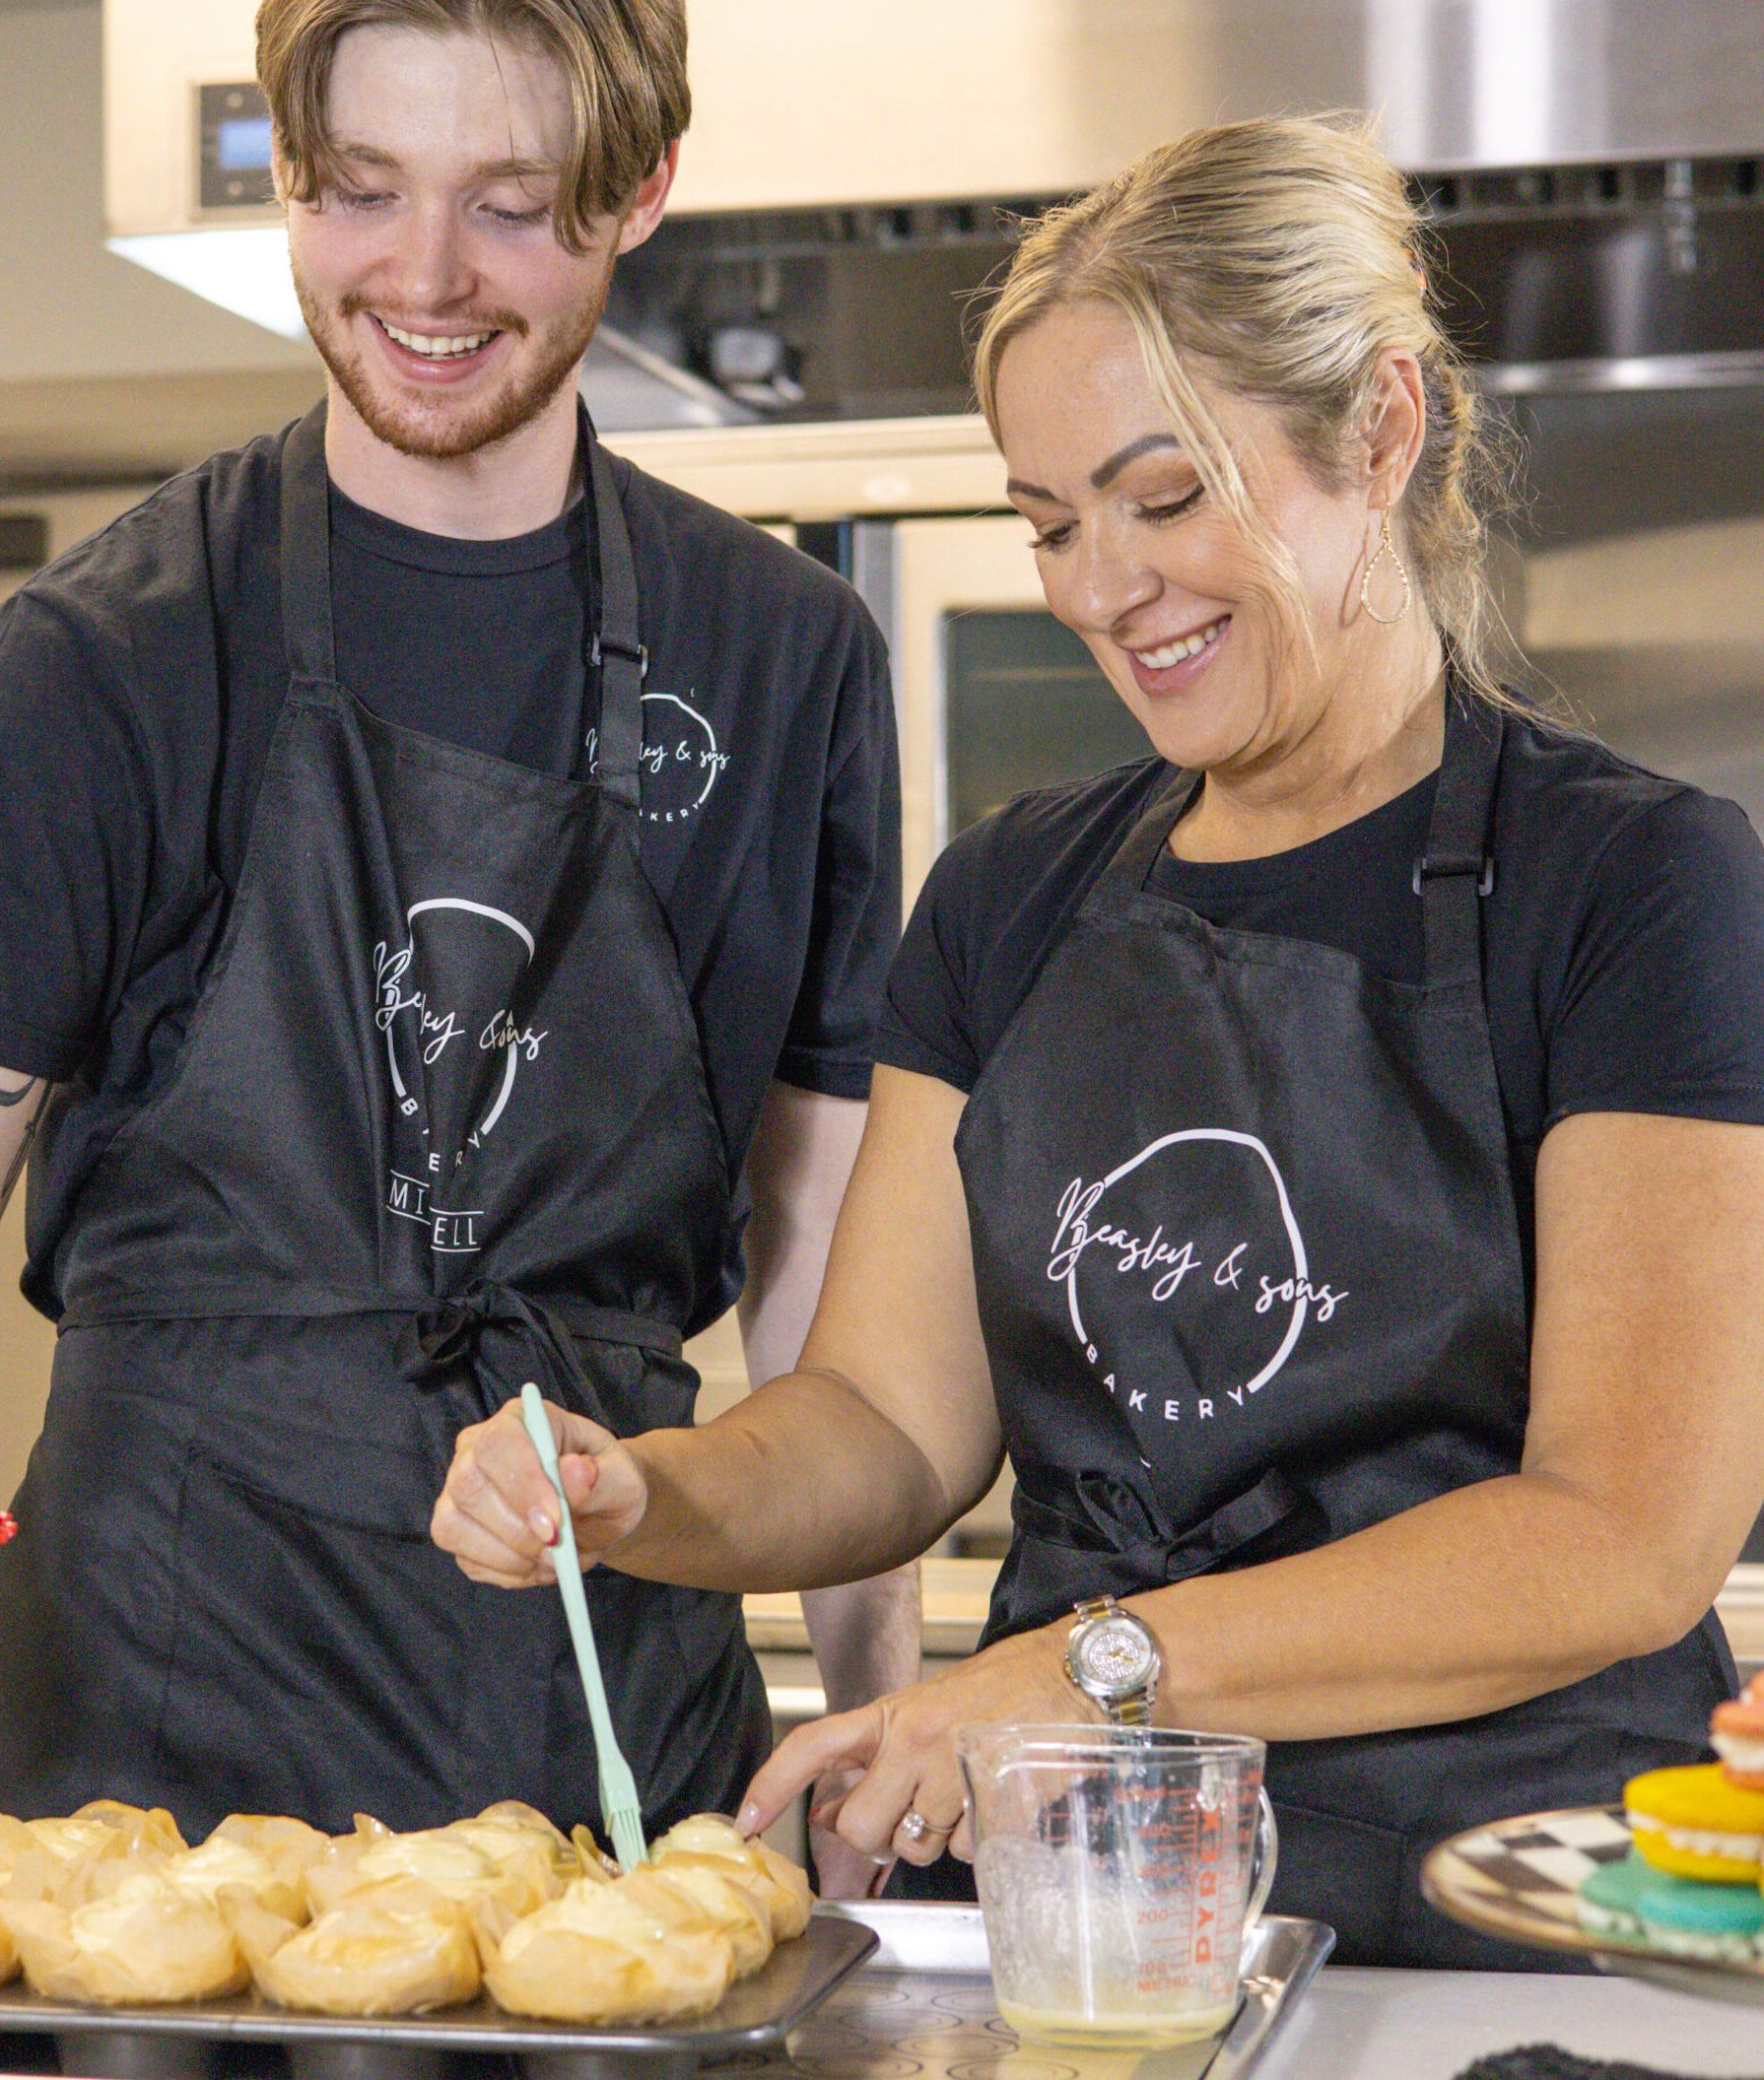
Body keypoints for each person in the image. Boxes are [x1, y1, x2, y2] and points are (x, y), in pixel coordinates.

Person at [0, 0, 913, 1880]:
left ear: (643, 184)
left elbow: (826, 1252)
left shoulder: (786, 660)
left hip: (603, 1729)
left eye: (509, 207)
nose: (422, 281)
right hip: (148, 1748)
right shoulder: (105, 655)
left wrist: (871, 1714)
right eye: (358, 194)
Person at [432, 114, 1764, 1966]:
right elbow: (891, 1419)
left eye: (1163, 497)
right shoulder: (1012, 899)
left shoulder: (1631, 883)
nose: (1098, 588)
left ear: (1379, 431)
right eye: (1048, 521)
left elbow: (1622, 1532)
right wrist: (647, 1492)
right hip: (1090, 1929)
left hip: (1492, 1922)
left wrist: (1082, 1668)